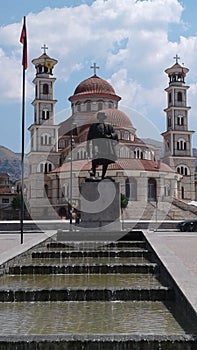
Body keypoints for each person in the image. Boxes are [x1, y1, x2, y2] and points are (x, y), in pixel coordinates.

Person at [87, 112, 118, 179]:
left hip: (106, 145)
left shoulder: (108, 126)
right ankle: (93, 173)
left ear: (104, 118)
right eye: (100, 116)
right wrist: (88, 149)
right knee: (95, 158)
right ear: (98, 118)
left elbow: (115, 135)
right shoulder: (93, 126)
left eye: (102, 116)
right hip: (96, 144)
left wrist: (109, 136)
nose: (101, 118)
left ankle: (103, 176)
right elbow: (89, 137)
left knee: (105, 160)